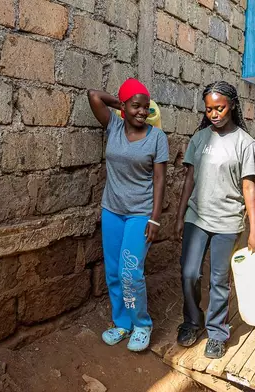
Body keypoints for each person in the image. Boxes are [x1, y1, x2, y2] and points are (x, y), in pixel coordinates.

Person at [175, 81, 255, 359]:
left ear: (233, 105)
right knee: (190, 273)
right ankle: (193, 321)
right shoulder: (199, 138)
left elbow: (248, 186)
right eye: (209, 109)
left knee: (219, 279)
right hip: (197, 217)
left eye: (220, 108)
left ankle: (216, 332)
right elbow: (189, 179)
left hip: (227, 221)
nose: (214, 114)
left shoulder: (244, 143)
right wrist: (180, 216)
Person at [87, 79, 169, 352]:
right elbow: (94, 95)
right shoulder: (114, 126)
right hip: (112, 210)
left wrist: (155, 218)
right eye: (136, 106)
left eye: (147, 108)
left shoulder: (157, 137)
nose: (142, 112)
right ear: (123, 107)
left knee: (130, 272)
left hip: (140, 214)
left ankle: (142, 324)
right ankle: (122, 323)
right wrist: (122, 106)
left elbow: (159, 180)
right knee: (113, 271)